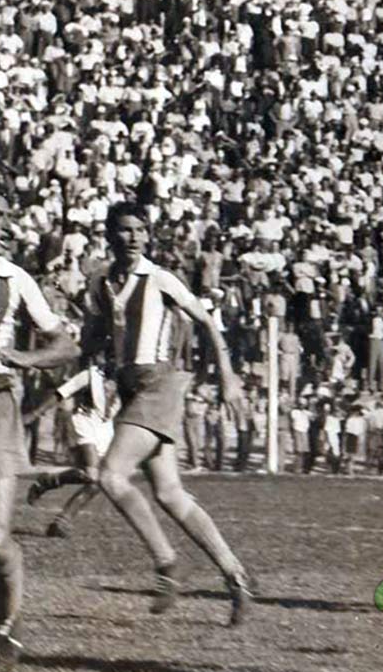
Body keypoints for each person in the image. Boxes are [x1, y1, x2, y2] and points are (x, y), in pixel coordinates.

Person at [84, 201, 255, 627]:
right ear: (110, 234)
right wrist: (71, 377)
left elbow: (208, 323)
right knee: (169, 493)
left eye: (140, 229)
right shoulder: (101, 281)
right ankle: (235, 574)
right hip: (131, 388)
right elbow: (94, 338)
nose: (134, 237)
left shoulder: (159, 278)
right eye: (125, 229)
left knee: (111, 475)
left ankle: (166, 563)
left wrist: (229, 377)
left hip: (158, 385)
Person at [0, 169, 79, 662]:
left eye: (10, 216)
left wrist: (24, 359)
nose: (9, 227)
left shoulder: (15, 280)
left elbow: (66, 344)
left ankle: (5, 628)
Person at [24, 366, 117, 538]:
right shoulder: (90, 374)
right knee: (93, 474)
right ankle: (61, 516)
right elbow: (61, 393)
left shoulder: (127, 376)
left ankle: (58, 515)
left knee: (98, 480)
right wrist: (36, 413)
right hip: (85, 423)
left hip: (106, 429)